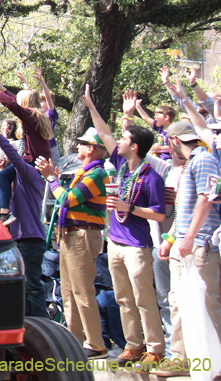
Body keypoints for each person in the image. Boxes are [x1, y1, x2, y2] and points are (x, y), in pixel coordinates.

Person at [82, 86, 167, 366]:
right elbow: (105, 134)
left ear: (135, 147)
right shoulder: (120, 164)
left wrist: (128, 208)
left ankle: (155, 348)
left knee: (143, 299)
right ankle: (133, 345)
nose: (118, 141)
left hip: (137, 247)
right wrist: (92, 107)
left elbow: (159, 215)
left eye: (125, 139)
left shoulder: (151, 177)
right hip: (115, 243)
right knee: (123, 299)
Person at [35, 126, 109, 358]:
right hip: (71, 235)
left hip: (83, 235)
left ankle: (96, 344)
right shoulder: (85, 172)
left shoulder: (97, 174)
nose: (77, 146)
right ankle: (76, 341)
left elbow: (68, 200)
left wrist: (51, 179)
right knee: (67, 290)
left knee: (81, 290)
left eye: (82, 143)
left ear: (93, 149)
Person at [157, 120, 221, 363]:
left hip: (199, 245)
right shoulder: (189, 164)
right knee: (178, 303)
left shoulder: (203, 159)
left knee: (207, 305)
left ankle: (215, 363)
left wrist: (190, 238)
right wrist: (171, 238)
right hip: (184, 244)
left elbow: (207, 198)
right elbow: (186, 207)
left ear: (173, 141)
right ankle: (180, 359)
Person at [0, 116, 48, 317]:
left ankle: (41, 327)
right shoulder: (21, 179)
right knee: (23, 288)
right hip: (23, 239)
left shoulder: (30, 174)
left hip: (29, 240)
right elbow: (4, 174)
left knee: (31, 289)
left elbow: (16, 157)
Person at [0, 78, 55, 225]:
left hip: (34, 162)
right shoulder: (35, 114)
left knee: (4, 177)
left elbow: (13, 105)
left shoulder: (31, 116)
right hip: (33, 159)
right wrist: (2, 89)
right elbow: (15, 100)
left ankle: (6, 213)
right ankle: (6, 212)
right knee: (5, 177)